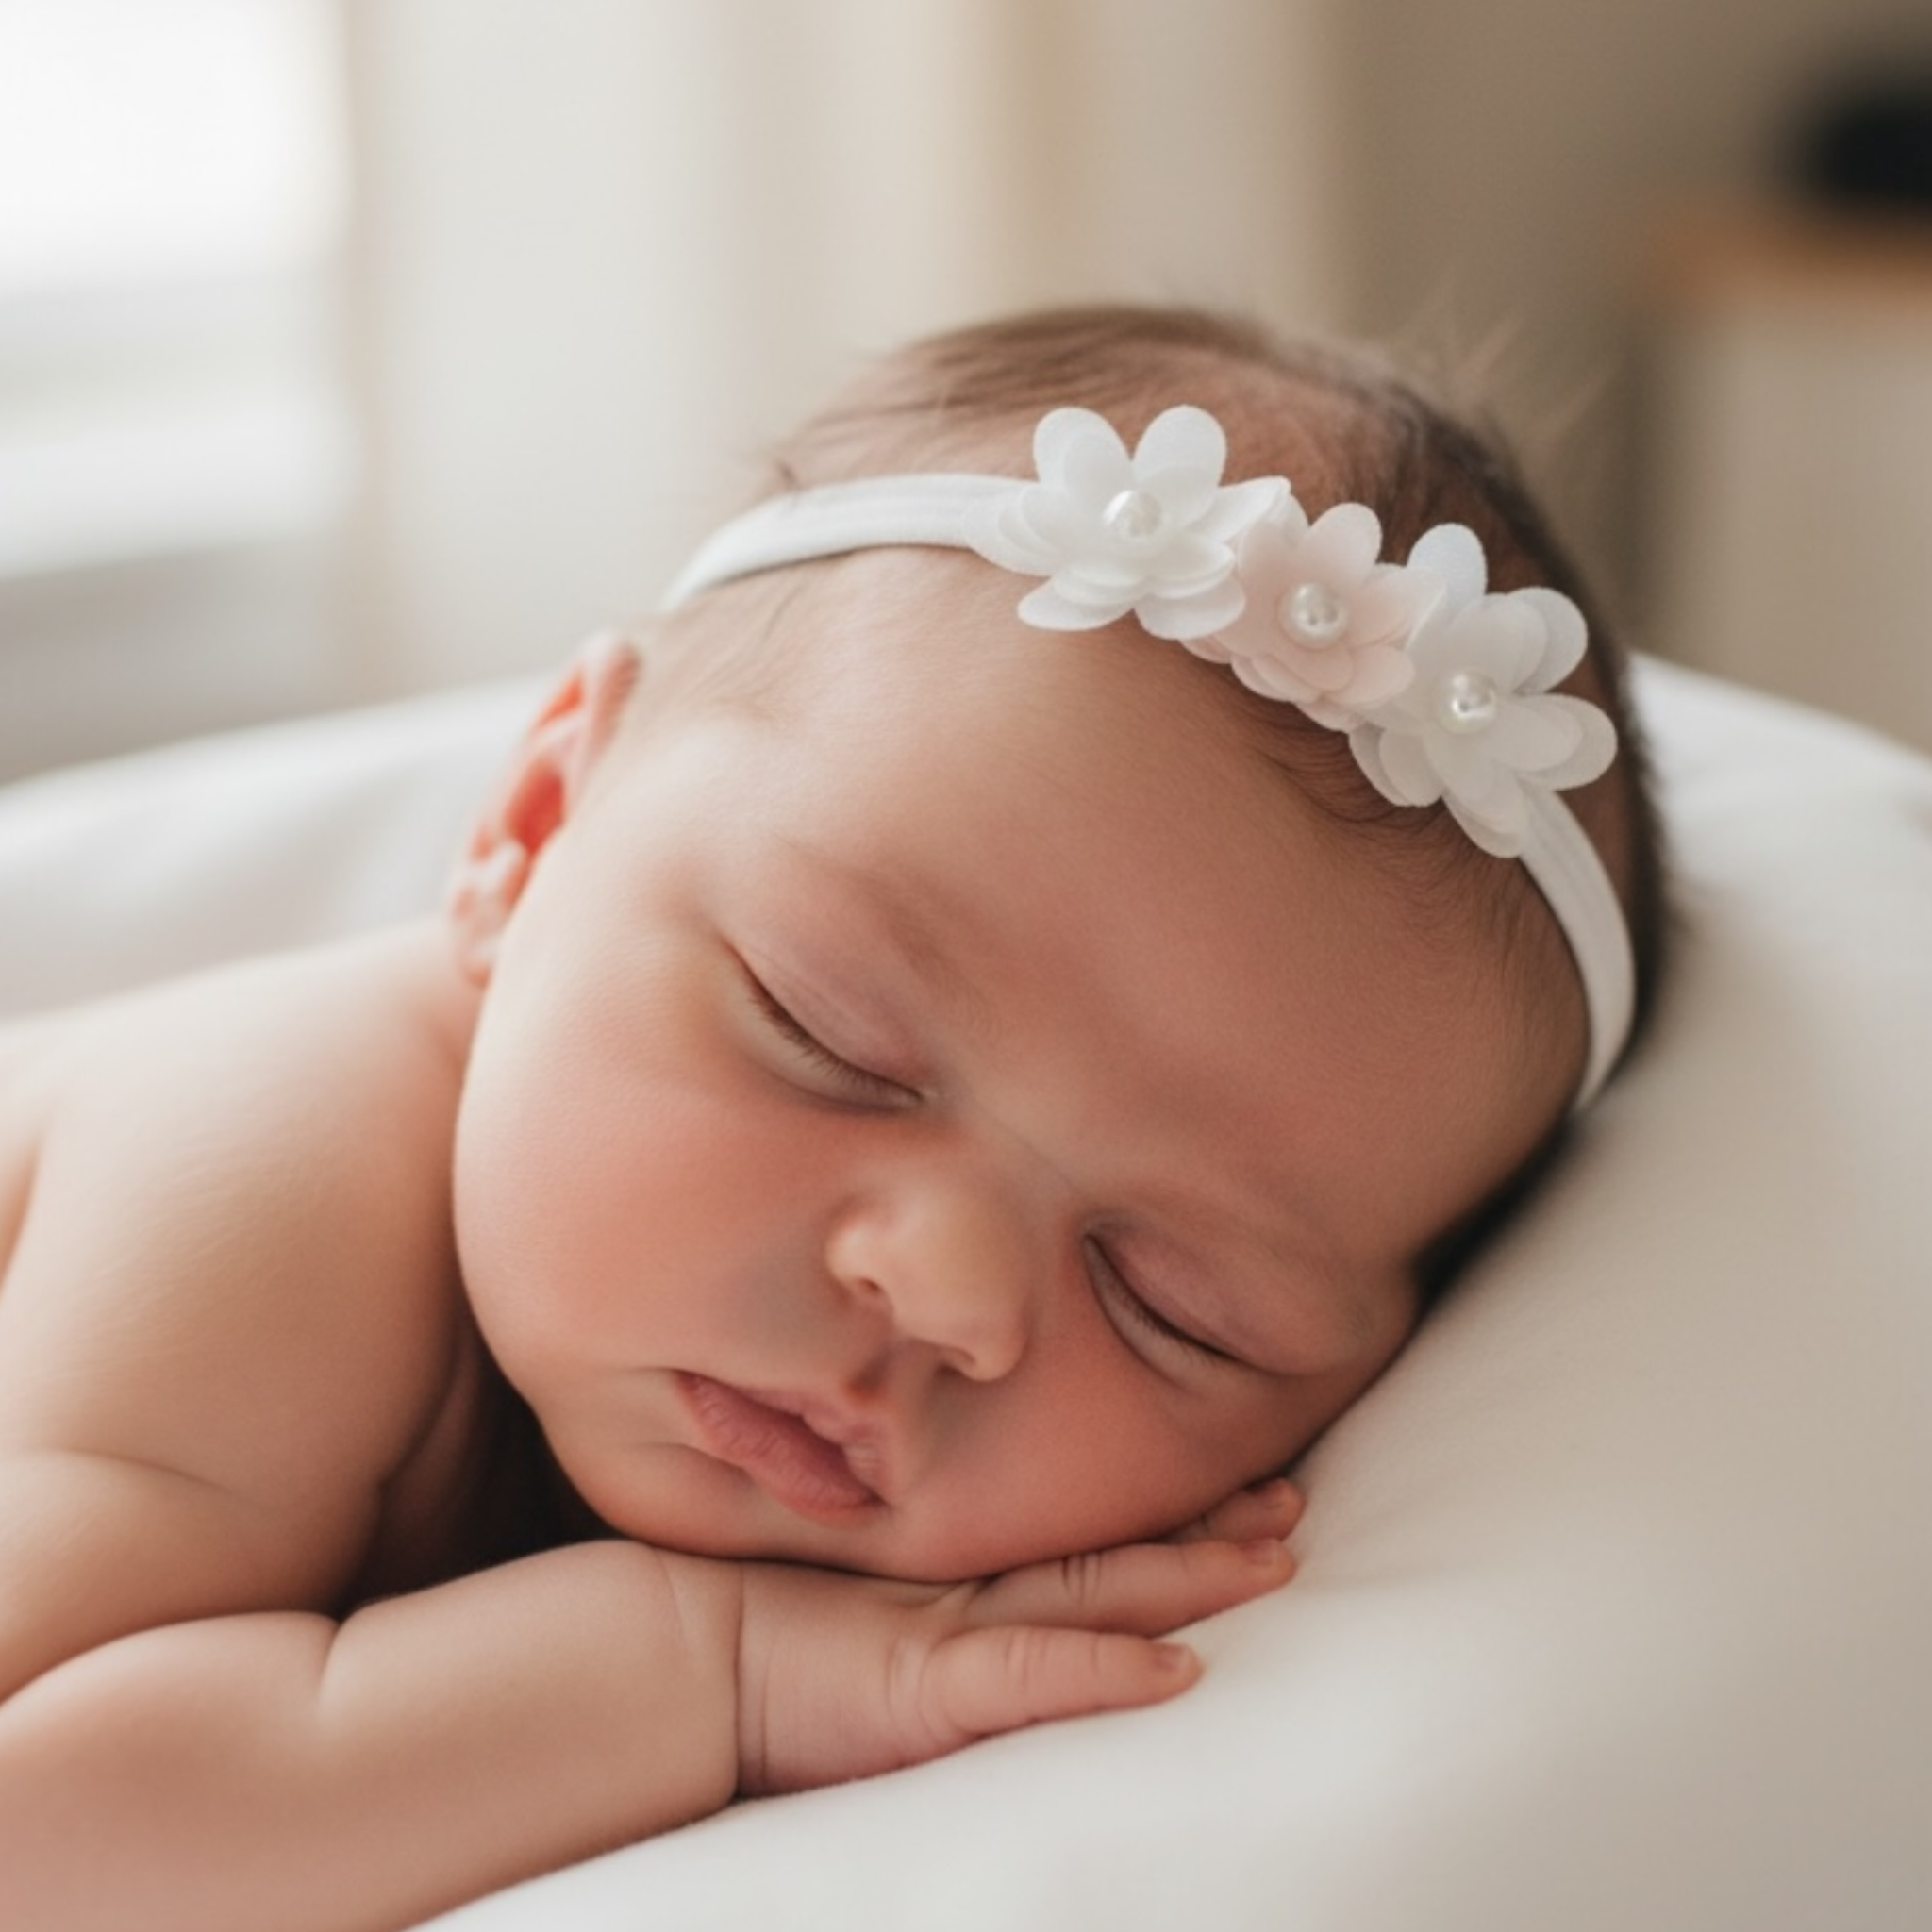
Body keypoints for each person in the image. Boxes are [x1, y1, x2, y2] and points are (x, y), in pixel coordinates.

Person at [0, 305, 1663, 1931]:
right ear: (533, 826)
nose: (942, 1290)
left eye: (1175, 1306)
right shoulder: (266, 1163)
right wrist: (706, 1672)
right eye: (824, 1034)